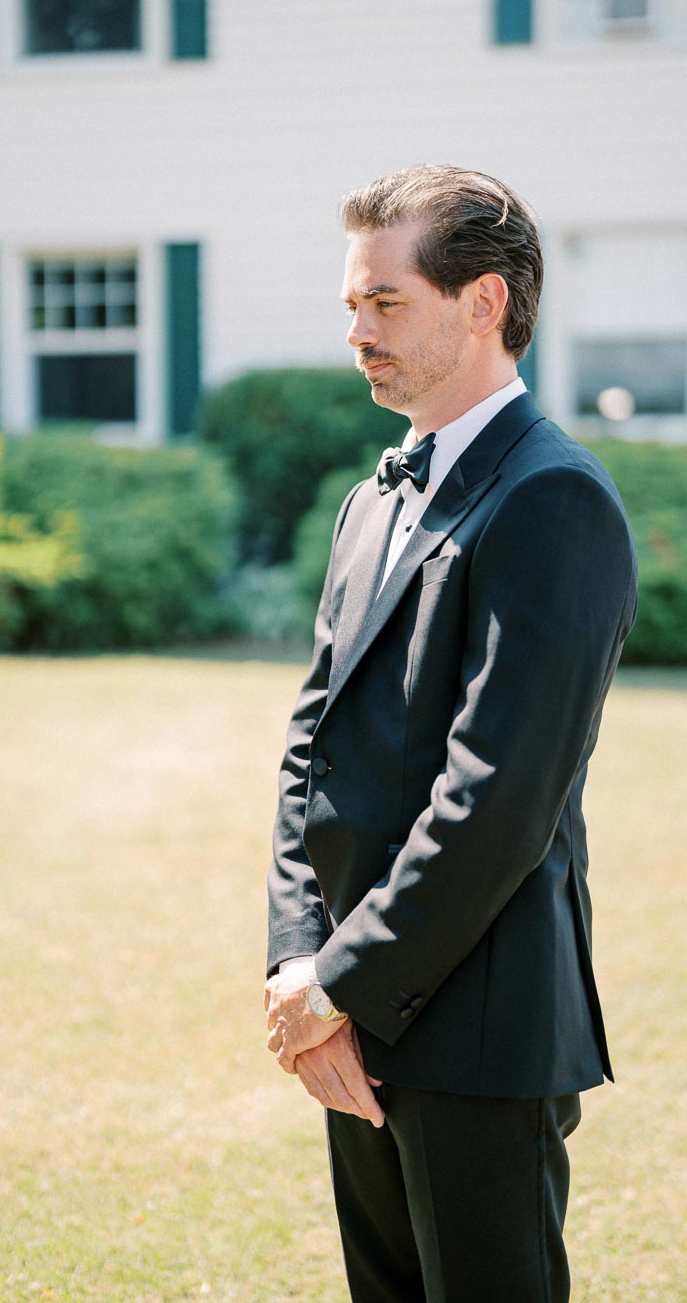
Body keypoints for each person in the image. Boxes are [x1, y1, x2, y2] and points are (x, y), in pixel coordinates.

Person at [264, 164, 638, 1302]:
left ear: (482, 304)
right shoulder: (372, 496)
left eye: (386, 303)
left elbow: (498, 799)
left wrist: (341, 978)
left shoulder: (552, 499)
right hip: (350, 1019)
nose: (357, 332)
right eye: (351, 306)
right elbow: (309, 746)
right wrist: (297, 962)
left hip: (479, 1029)